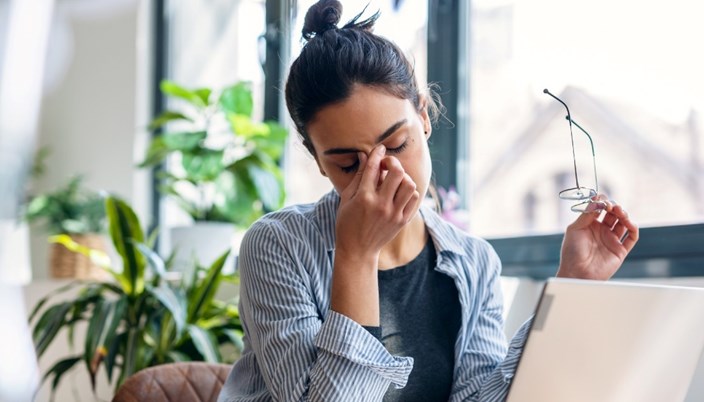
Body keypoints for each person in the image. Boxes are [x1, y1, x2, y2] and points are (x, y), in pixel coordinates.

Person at [218, 1, 639, 401]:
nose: (385, 176)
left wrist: (571, 286)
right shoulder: (277, 247)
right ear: (319, 163)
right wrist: (356, 257)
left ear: (424, 116)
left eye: (398, 145)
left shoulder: (474, 263)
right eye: (349, 165)